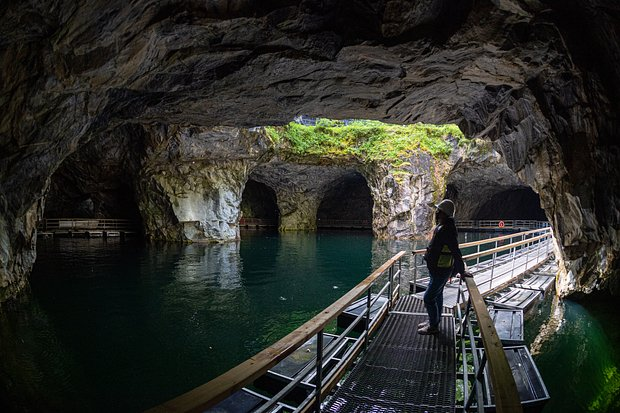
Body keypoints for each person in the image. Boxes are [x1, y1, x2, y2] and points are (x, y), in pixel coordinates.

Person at [418, 199, 471, 335]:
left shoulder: (448, 229)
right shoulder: (442, 226)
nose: (436, 213)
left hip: (441, 270)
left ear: (444, 213)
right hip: (436, 269)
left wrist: (461, 271)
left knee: (428, 298)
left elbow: (456, 252)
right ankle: (433, 321)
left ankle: (433, 326)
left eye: (439, 211)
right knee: (438, 295)